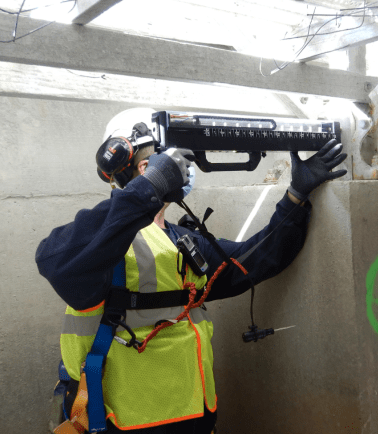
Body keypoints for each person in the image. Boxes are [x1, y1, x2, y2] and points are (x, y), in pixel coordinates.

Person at [35, 108, 347, 433]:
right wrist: (149, 187)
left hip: (194, 420)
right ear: (147, 166)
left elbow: (251, 261)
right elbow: (56, 261)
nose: (188, 169)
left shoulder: (183, 241)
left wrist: (296, 195)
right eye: (179, 161)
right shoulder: (102, 243)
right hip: (118, 424)